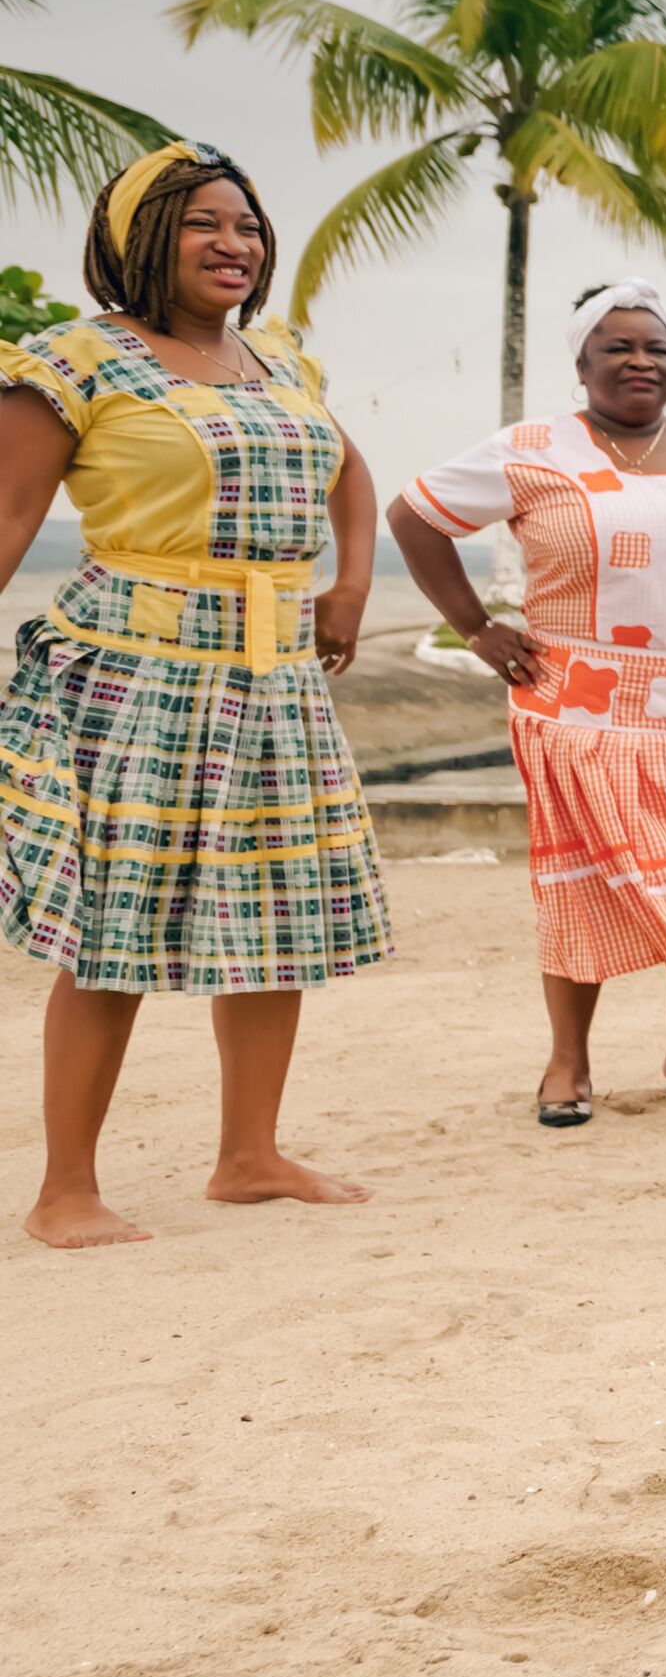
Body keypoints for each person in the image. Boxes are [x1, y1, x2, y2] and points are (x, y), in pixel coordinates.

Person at [0, 144, 390, 1247]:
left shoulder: (278, 365)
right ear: (139, 238)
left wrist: (349, 586)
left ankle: (250, 1156)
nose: (235, 245)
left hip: (274, 681)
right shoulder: (75, 361)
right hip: (138, 675)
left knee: (277, 914)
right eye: (202, 224)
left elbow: (349, 469)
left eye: (250, 227)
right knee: (111, 923)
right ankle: (65, 1187)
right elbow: (9, 515)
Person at [388, 281, 666, 1126]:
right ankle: (567, 1063)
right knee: (581, 880)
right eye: (617, 347)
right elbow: (415, 517)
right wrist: (476, 628)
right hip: (576, 707)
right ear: (582, 364)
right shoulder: (534, 448)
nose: (639, 362)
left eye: (656, 348)